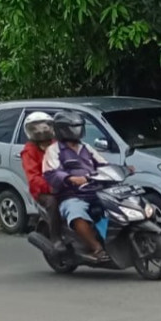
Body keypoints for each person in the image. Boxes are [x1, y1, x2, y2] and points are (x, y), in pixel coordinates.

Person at [44, 111, 109, 263]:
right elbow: (51, 173)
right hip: (71, 195)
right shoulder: (54, 150)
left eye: (78, 126)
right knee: (76, 214)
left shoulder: (86, 147)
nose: (77, 129)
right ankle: (96, 248)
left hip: (95, 191)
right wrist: (70, 178)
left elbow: (103, 164)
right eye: (73, 126)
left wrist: (122, 170)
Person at [21, 112, 64, 242]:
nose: (41, 131)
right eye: (36, 128)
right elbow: (33, 179)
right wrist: (52, 187)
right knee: (52, 203)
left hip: (64, 184)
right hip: (44, 191)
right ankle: (56, 238)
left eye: (44, 127)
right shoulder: (29, 151)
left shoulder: (57, 145)